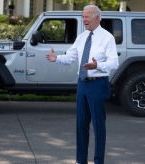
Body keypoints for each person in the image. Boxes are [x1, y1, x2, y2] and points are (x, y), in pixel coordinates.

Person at [46, 5, 119, 164]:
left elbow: (114, 63)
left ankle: (99, 161)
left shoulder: (107, 38)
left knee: (98, 127)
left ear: (97, 18)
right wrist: (56, 58)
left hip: (98, 84)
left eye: (87, 16)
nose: (84, 19)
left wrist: (97, 65)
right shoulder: (81, 37)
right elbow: (71, 57)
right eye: (83, 16)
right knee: (81, 126)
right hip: (82, 85)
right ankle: (81, 161)